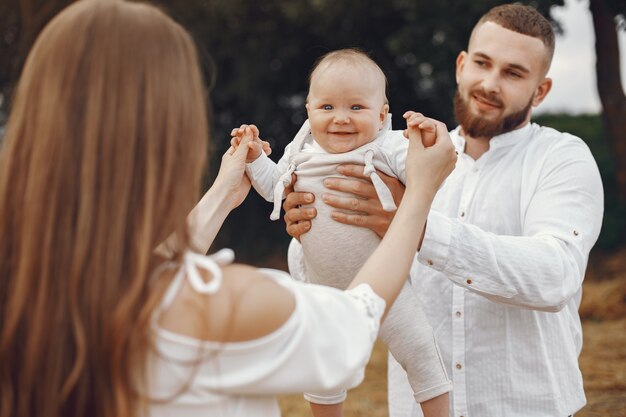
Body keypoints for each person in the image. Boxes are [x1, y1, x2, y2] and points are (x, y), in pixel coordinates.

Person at [0, 2, 457, 417]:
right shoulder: (222, 304)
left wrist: (223, 191)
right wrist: (417, 194)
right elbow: (347, 333)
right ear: (178, 131)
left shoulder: (31, 296)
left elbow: (148, 268)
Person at [283, 4, 604, 417]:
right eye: (483, 63)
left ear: (540, 91)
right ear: (461, 65)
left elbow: (555, 275)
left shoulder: (562, 157)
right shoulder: (395, 155)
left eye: (513, 72)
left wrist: (413, 222)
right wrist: (308, 226)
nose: (490, 83)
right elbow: (355, 272)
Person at [230, 48, 451, 417]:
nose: (341, 119)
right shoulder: (300, 153)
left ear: (382, 115)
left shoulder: (387, 147)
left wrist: (424, 143)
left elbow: (422, 176)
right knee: (320, 366)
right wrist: (253, 157)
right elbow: (274, 189)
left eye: (356, 108)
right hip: (322, 287)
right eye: (327, 108)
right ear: (309, 111)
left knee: (420, 350)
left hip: (387, 286)